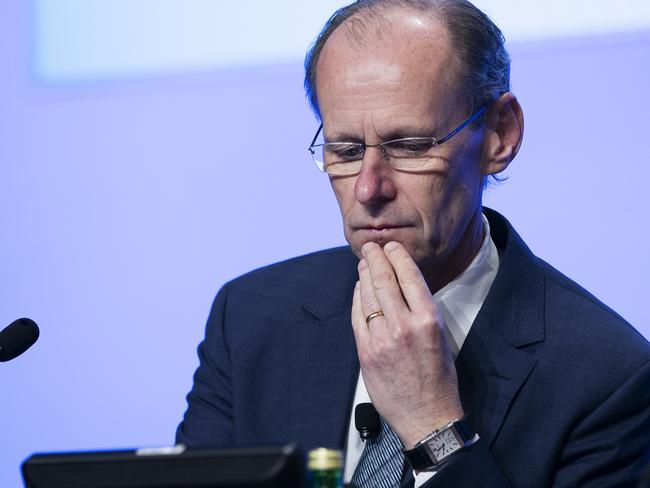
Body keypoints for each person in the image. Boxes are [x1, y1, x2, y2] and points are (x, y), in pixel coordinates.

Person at [176, 1, 650, 486]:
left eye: (409, 146)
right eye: (345, 151)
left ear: (500, 135)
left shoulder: (608, 378)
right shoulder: (249, 320)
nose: (368, 188)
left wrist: (432, 425)